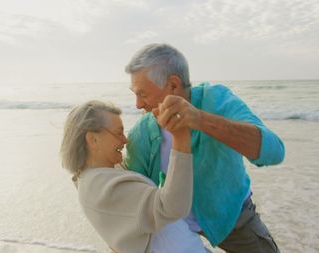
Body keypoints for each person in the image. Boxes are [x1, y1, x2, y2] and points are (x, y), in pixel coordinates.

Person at [124, 43, 285, 253]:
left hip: (231, 216)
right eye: (134, 94)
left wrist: (200, 120)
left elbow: (275, 152)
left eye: (143, 94)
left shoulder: (216, 99)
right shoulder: (141, 133)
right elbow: (131, 198)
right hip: (175, 227)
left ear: (173, 85)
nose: (137, 104)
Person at [60, 100, 209, 253]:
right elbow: (174, 206)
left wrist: (148, 124)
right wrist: (181, 137)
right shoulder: (104, 187)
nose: (125, 140)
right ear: (93, 139)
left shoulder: (95, 178)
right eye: (118, 133)